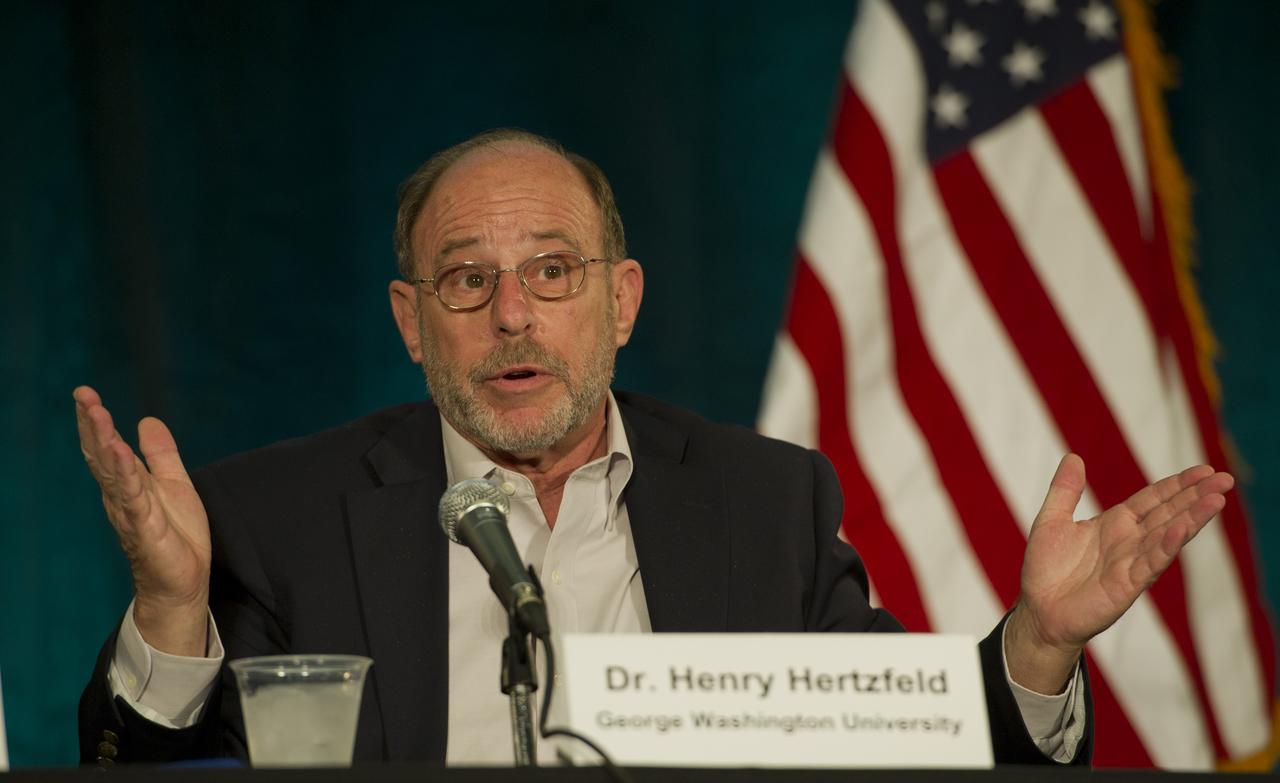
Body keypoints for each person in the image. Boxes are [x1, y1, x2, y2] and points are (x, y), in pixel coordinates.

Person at [75, 129, 1235, 768]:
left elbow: (897, 740)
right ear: (410, 322)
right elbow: (147, 766)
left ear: (619, 301)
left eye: (552, 273)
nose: (512, 316)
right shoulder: (281, 515)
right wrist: (173, 614)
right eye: (466, 280)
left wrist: (1034, 645)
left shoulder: (763, 501)